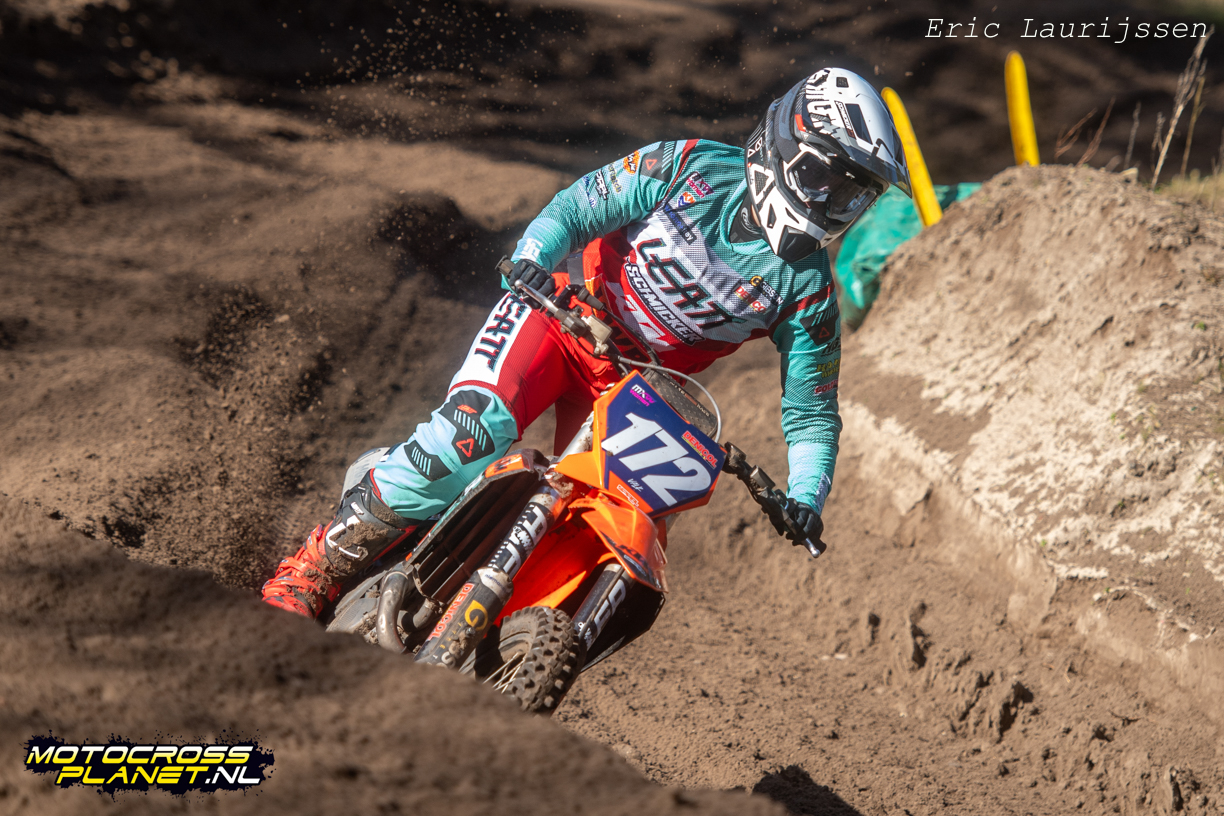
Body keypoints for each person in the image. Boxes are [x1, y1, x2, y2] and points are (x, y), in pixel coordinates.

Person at [261, 67, 911, 619]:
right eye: (826, 178)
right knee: (466, 435)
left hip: (636, 394)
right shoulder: (688, 166)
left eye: (851, 196)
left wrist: (806, 496)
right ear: (785, 145)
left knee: (614, 535)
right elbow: (577, 208)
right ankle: (311, 571)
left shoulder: (808, 290)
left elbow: (811, 411)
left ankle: (489, 637)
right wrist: (534, 256)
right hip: (559, 319)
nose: (831, 203)